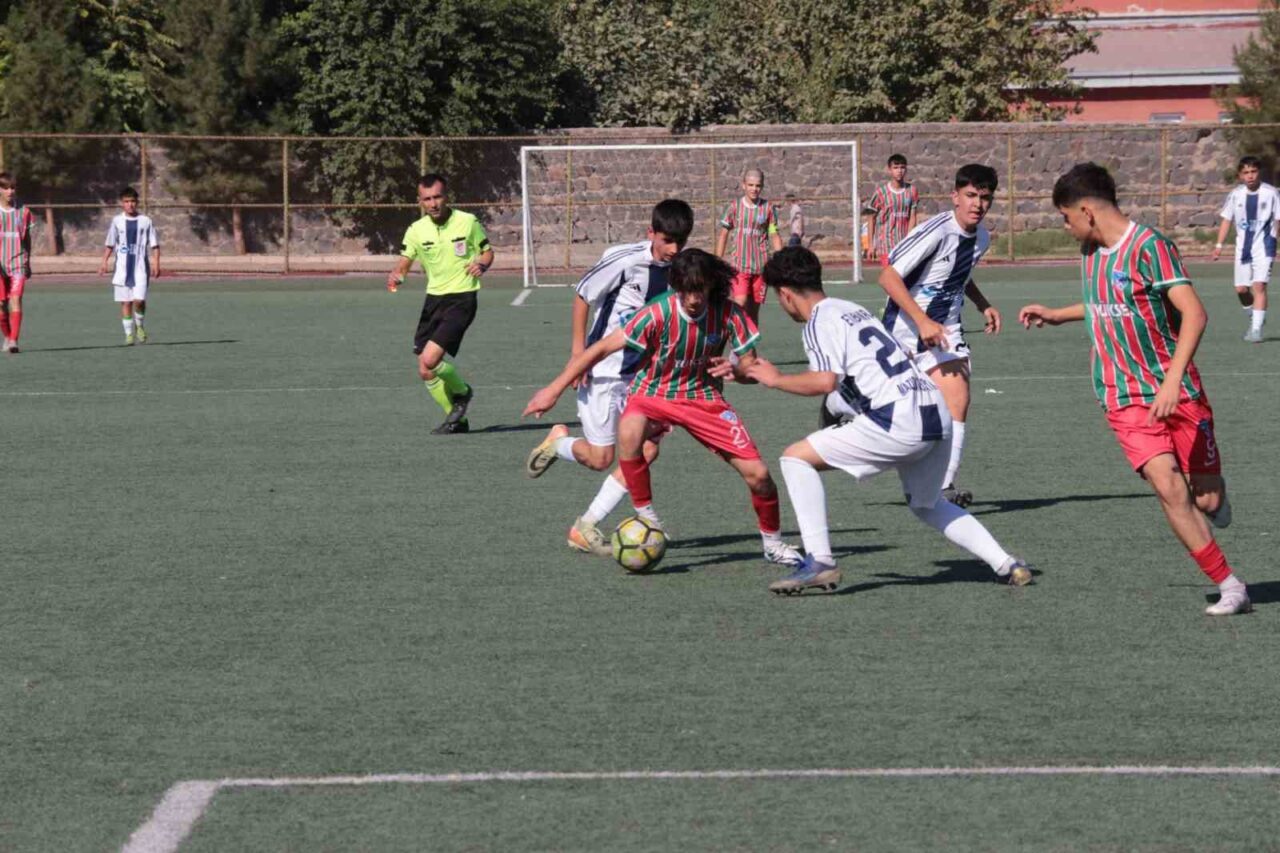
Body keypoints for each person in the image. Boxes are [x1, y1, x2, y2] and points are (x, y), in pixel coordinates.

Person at [730, 246, 1030, 595]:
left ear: (784, 294)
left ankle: (821, 563)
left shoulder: (817, 322)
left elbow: (824, 382)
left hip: (897, 420)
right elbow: (854, 381)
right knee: (928, 504)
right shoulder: (851, 309)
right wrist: (750, 373)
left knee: (794, 459)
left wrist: (775, 378)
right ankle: (1007, 563)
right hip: (934, 410)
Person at [1019, 162, 1249, 616]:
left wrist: (1171, 380)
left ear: (1086, 211)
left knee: (1206, 498)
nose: (1066, 228)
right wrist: (1056, 313)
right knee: (1167, 487)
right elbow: (1103, 303)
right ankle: (1230, 585)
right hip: (1122, 396)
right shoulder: (1090, 252)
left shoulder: (1150, 248)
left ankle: (1214, 497)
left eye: (1066, 218)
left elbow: (1196, 314)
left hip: (1176, 390)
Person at [523, 249, 804, 569]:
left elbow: (751, 371)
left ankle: (773, 544)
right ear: (676, 286)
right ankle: (648, 518)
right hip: (652, 392)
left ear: (711, 286)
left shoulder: (729, 315)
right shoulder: (656, 313)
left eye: (700, 289)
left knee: (760, 476)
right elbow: (600, 347)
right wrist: (553, 390)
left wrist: (736, 371)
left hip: (703, 398)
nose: (694, 298)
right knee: (629, 434)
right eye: (687, 290)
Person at [525, 199, 695, 556]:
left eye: (680, 241)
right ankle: (559, 443)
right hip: (602, 371)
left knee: (648, 448)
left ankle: (586, 525)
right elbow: (583, 297)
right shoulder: (625, 260)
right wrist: (578, 355)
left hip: (641, 376)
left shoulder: (681, 268)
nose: (674, 249)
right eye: (667, 241)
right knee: (601, 459)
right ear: (651, 233)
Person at [878, 164, 1003, 507]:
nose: (978, 204)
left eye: (985, 198)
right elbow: (888, 278)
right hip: (903, 330)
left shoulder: (982, 237)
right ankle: (838, 405)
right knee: (894, 413)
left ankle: (943, 486)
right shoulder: (935, 231)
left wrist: (983, 304)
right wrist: (920, 321)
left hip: (946, 330)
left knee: (958, 398)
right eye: (971, 196)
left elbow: (959, 274)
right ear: (955, 196)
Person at [386, 173, 493, 434]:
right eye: (427, 199)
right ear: (420, 201)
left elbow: (487, 252)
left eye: (437, 197)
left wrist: (480, 264)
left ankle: (462, 392)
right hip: (434, 299)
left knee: (431, 358)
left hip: (462, 297)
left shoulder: (467, 222)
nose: (433, 203)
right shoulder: (416, 230)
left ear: (446, 196)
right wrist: (397, 274)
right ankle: (456, 420)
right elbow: (405, 259)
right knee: (425, 370)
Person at [1210, 155, 1278, 343]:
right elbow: (1226, 220)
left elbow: (1278, 220)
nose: (1250, 176)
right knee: (1241, 290)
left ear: (1259, 172)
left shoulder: (1271, 193)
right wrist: (1218, 246)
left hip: (1264, 247)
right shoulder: (1235, 195)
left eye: (1253, 171)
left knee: (1259, 286)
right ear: (1240, 175)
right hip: (1243, 249)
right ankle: (1254, 316)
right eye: (1246, 172)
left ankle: (1256, 330)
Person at [714, 168, 783, 327]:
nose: (754, 189)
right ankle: (734, 346)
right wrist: (717, 260)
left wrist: (781, 260)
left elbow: (774, 234)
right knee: (739, 303)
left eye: (758, 185)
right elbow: (723, 234)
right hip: (740, 266)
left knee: (753, 312)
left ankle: (749, 348)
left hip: (761, 267)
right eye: (750, 185)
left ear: (762, 186)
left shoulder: (768, 208)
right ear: (743, 185)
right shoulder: (734, 207)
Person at [99, 186, 160, 345]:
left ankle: (139, 326)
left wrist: (156, 263)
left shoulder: (146, 221)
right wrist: (104, 261)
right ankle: (128, 335)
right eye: (126, 201)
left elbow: (154, 245)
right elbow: (110, 243)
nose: (130, 204)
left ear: (137, 202)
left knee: (139, 300)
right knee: (126, 302)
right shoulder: (117, 221)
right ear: (122, 203)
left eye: (133, 201)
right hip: (121, 270)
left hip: (140, 269)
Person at [0, 172, 36, 353]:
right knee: (1, 307)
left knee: (16, 299)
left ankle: (14, 341)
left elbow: (27, 238)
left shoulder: (24, 211)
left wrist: (28, 261)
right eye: (5, 187)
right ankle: (7, 336)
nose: (9, 191)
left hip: (18, 262)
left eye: (12, 187)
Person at [863, 154, 920, 264]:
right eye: (896, 167)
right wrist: (870, 245)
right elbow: (871, 219)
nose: (899, 171)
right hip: (886, 245)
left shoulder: (912, 191)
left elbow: (912, 217)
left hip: (904, 243)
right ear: (889, 170)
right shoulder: (880, 193)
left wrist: (909, 239)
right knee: (891, 276)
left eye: (902, 167)